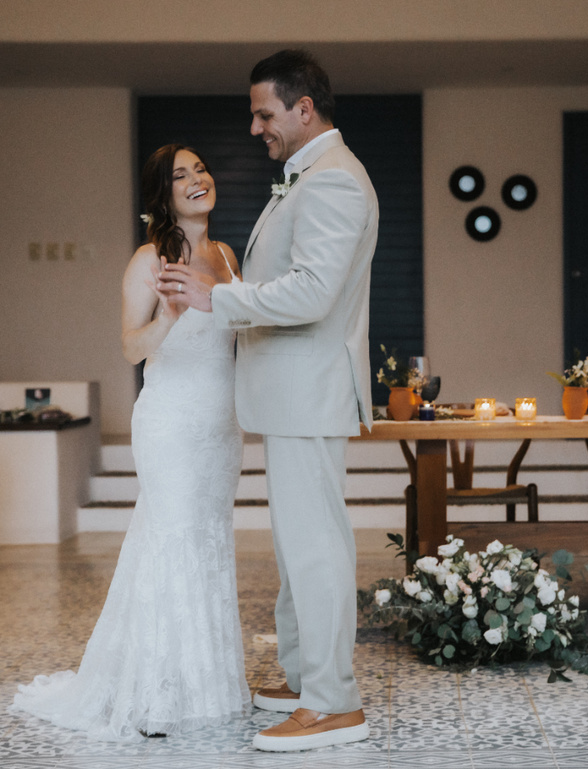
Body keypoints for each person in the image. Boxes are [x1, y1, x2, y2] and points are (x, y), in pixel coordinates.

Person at [159, 49, 378, 752]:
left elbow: (312, 292)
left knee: (316, 549)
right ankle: (304, 676)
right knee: (297, 547)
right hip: (290, 395)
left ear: (303, 109)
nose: (255, 128)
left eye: (264, 114)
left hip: (307, 392)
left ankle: (333, 703)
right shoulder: (311, 176)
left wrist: (218, 297)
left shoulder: (333, 180)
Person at [10, 144, 250, 740]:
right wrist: (167, 319)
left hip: (222, 425)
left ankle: (205, 687)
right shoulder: (150, 258)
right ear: (163, 194)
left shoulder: (226, 255)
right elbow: (128, 347)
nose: (197, 180)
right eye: (180, 175)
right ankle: (155, 693)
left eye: (201, 169)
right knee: (171, 541)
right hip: (171, 423)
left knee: (208, 542)